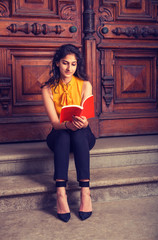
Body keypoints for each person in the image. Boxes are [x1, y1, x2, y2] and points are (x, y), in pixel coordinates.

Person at [41, 44, 96, 222]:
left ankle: (85, 193)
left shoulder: (85, 85)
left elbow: (86, 114)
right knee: (64, 135)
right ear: (57, 63)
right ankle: (61, 193)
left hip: (83, 133)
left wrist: (84, 122)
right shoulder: (47, 88)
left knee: (79, 133)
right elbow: (55, 123)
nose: (69, 68)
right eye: (65, 63)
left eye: (73, 64)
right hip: (59, 134)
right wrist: (67, 125)